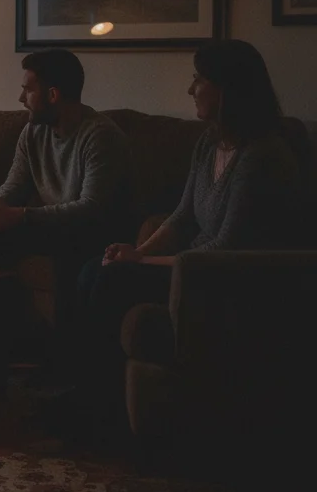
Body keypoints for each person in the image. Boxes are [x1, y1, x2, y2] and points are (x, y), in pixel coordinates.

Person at [79, 39, 303, 382]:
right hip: (191, 266)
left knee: (113, 279)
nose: (190, 89)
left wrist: (140, 263)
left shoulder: (261, 156)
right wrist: (137, 251)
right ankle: (79, 385)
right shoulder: (209, 141)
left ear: (227, 88)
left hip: (227, 279)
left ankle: (98, 405)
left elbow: (225, 249)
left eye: (198, 79)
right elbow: (183, 216)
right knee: (95, 268)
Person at [0, 49, 132, 277]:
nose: (21, 99)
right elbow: (15, 185)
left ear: (53, 95)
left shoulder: (100, 136)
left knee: (69, 247)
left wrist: (22, 215)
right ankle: (8, 311)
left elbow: (90, 208)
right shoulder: (33, 131)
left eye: (28, 90)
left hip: (95, 232)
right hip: (52, 225)